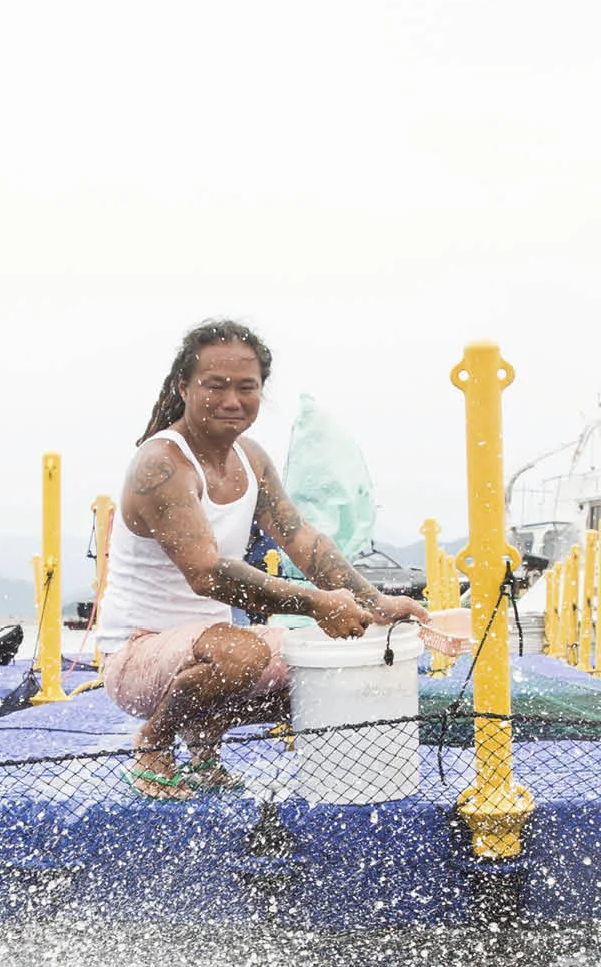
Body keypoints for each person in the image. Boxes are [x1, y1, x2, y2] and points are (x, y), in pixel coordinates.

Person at [96, 319, 426, 799]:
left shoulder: (251, 457)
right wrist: (317, 603)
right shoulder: (162, 464)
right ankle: (154, 741)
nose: (232, 400)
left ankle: (203, 734)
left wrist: (375, 602)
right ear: (183, 387)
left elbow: (304, 541)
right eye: (215, 385)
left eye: (247, 388)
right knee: (242, 650)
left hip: (206, 647)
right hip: (137, 656)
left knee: (331, 670)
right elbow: (207, 575)